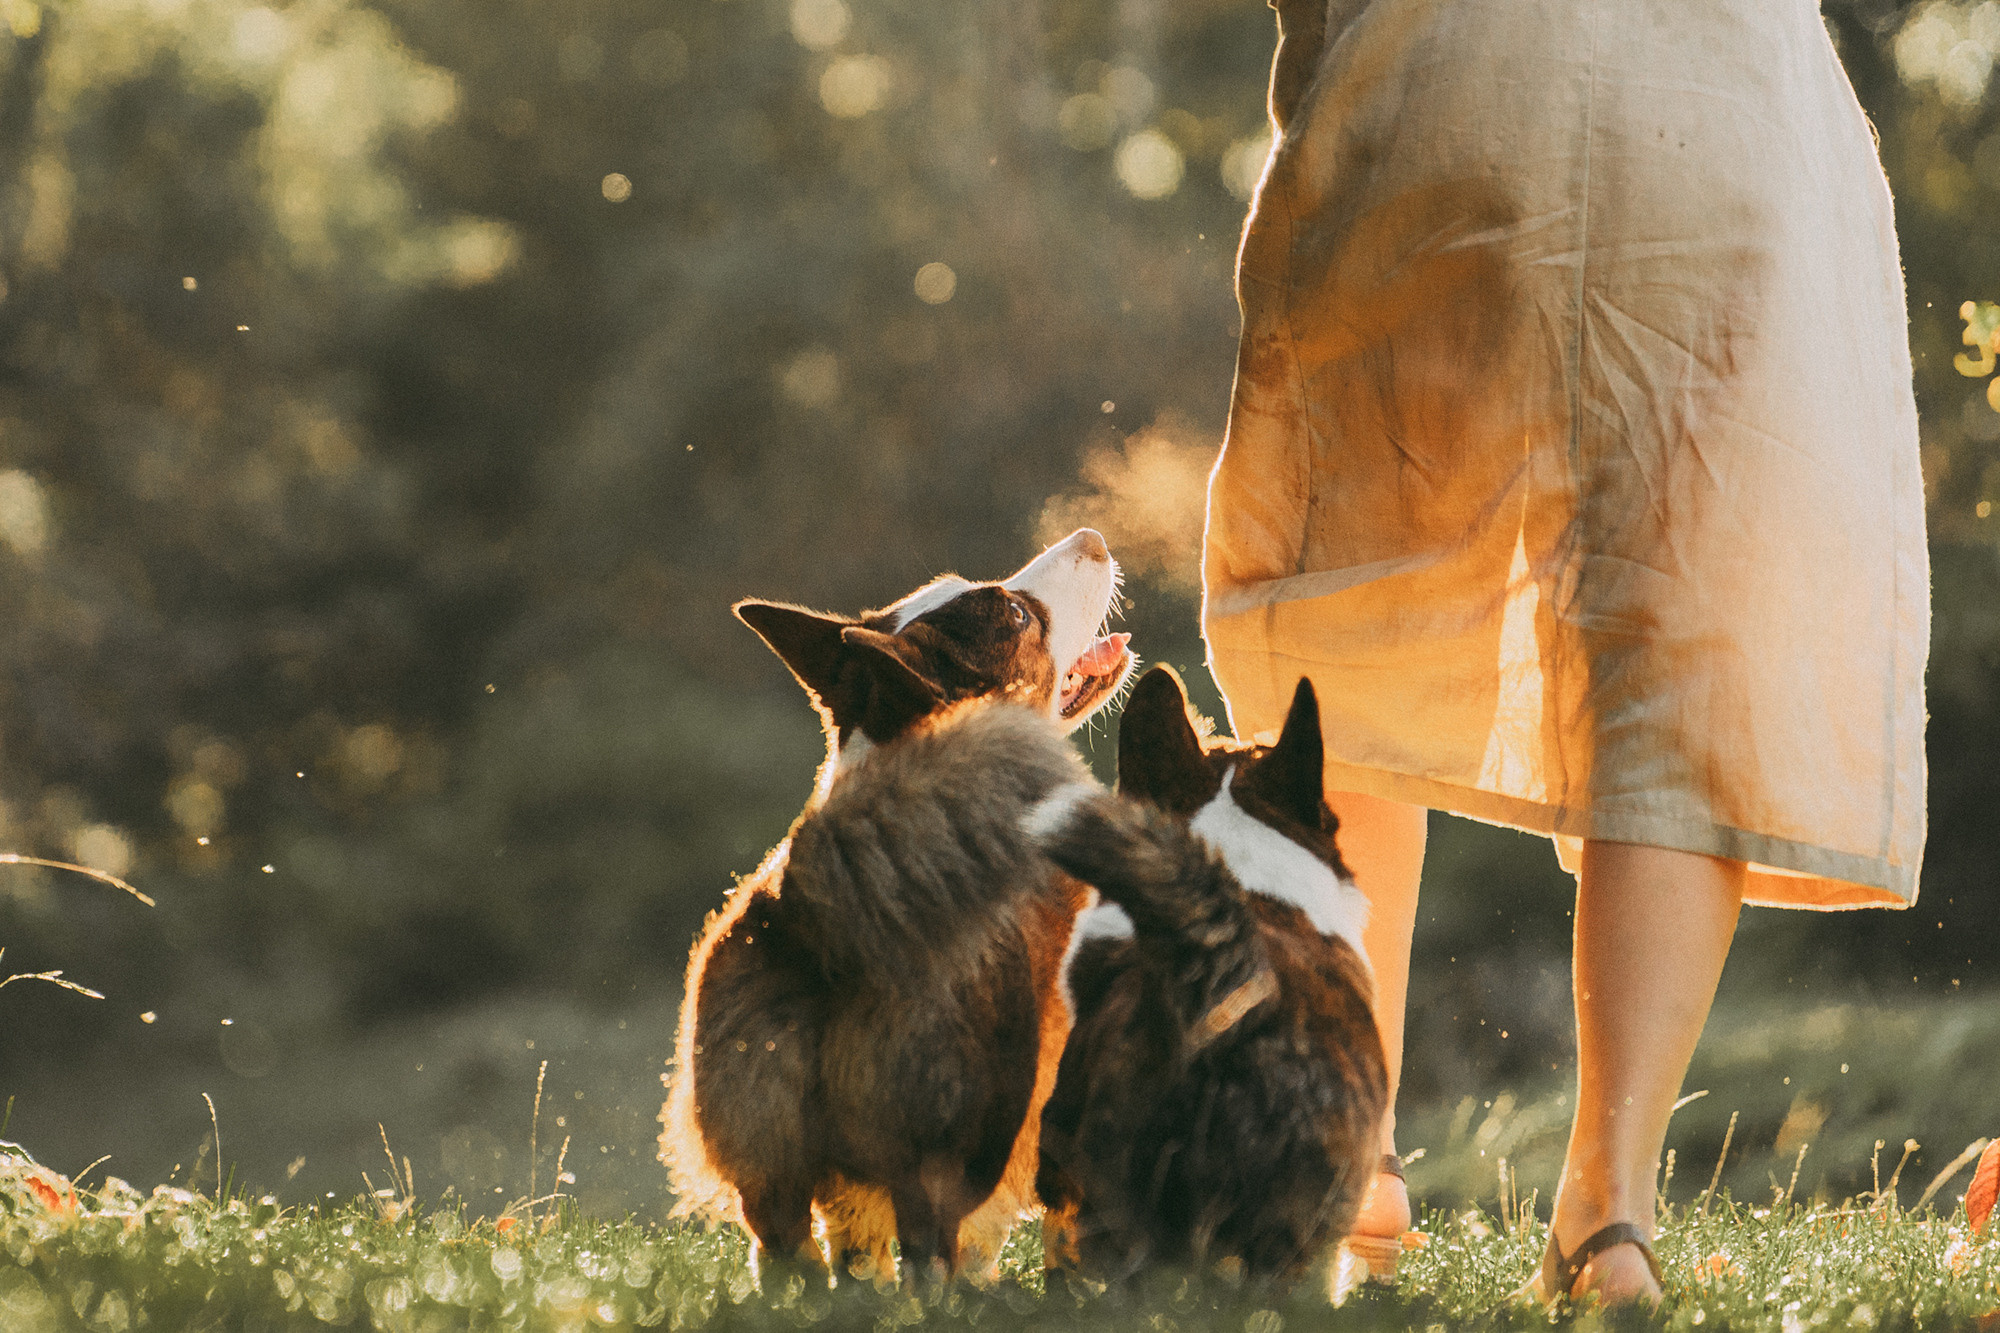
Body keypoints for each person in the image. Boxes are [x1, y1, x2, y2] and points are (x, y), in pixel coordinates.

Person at [1201, 0, 1928, 1306]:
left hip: (1438, 83)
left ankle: (1341, 1157)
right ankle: (1610, 1214)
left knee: (1359, 614)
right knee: (1680, 644)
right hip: (1717, 108)